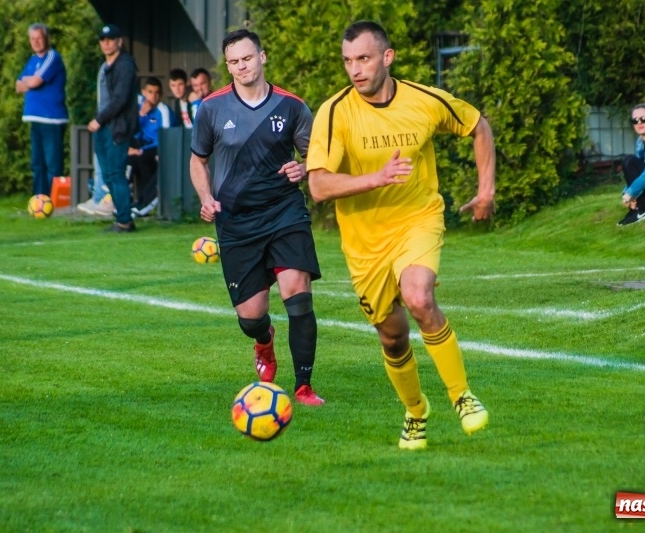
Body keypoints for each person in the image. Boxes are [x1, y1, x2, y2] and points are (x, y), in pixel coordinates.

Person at [307, 20, 494, 450]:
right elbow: (318, 186)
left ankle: (461, 396)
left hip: (418, 218)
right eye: (348, 61)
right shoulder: (335, 112)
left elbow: (478, 125)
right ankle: (415, 411)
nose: (355, 69)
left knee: (419, 297)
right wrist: (376, 178)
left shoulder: (424, 100)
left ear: (387, 58)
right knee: (392, 336)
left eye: (364, 58)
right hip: (365, 242)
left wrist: (486, 191)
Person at [189, 29, 325, 406]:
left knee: (297, 295)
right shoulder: (213, 108)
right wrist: (205, 197)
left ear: (262, 57)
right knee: (251, 318)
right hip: (235, 221)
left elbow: (316, 154)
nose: (241, 67)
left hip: (284, 211)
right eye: (233, 62)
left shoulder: (292, 106)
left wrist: (304, 168)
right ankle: (264, 343)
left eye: (246, 59)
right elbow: (198, 160)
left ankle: (303, 386)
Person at [87, 23, 140, 233]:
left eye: (110, 39)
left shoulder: (125, 64)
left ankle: (125, 221)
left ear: (120, 41)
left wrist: (99, 119)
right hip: (103, 127)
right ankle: (122, 217)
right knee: (108, 175)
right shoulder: (105, 65)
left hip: (116, 127)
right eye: (103, 39)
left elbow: (120, 99)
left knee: (116, 174)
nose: (106, 43)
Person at [15, 23, 69, 197]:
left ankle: (55, 201)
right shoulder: (33, 60)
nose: (36, 42)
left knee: (52, 163)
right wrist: (29, 81)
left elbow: (35, 82)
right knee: (37, 163)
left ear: (47, 38)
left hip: (51, 118)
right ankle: (39, 199)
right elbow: (18, 86)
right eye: (32, 39)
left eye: (39, 38)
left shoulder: (52, 57)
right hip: (34, 118)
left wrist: (29, 81)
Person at [129, 77, 172, 217]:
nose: (153, 96)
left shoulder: (163, 110)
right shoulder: (137, 104)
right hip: (140, 145)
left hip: (155, 147)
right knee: (128, 157)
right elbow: (130, 130)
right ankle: (122, 202)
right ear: (143, 92)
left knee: (143, 159)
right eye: (150, 92)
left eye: (157, 92)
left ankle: (144, 204)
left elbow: (165, 135)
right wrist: (141, 114)